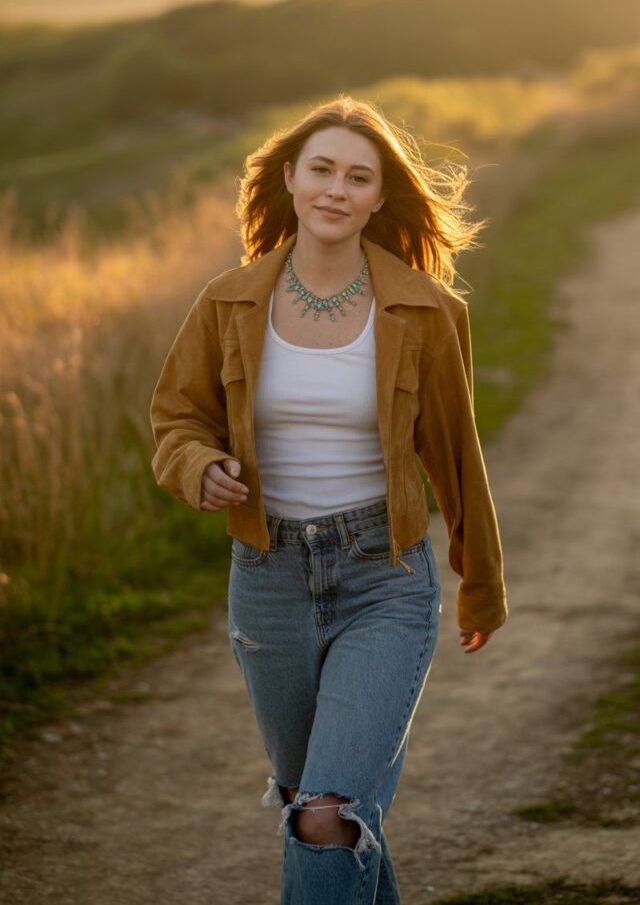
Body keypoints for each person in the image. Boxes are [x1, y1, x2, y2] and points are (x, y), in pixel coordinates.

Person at [149, 95, 508, 904]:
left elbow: (457, 454)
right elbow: (177, 416)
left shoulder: (426, 311)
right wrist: (198, 464)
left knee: (327, 814)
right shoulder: (228, 300)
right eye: (321, 171)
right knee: (318, 808)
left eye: (357, 176)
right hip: (267, 577)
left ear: (380, 198)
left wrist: (479, 580)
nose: (335, 190)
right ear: (291, 179)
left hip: (383, 573)